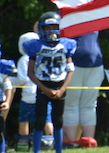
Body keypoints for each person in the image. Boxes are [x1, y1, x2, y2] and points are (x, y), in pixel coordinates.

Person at [25, 11, 76, 153]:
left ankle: (59, 151)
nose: (51, 31)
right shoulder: (35, 46)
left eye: (54, 27)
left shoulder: (66, 45)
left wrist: (62, 89)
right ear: (41, 29)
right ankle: (36, 151)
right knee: (40, 121)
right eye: (48, 28)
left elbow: (70, 70)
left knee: (58, 121)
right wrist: (44, 88)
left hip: (60, 84)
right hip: (43, 84)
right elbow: (30, 72)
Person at [12, 32, 53, 151]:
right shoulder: (44, 56)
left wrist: (9, 80)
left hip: (28, 96)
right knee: (46, 118)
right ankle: (49, 143)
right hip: (44, 93)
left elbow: (23, 79)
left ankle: (23, 145)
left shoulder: (24, 59)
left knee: (24, 119)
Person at [63, 31, 104, 143]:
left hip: (75, 61)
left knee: (71, 105)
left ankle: (72, 143)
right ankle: (89, 142)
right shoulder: (93, 14)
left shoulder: (64, 15)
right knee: (89, 105)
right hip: (96, 60)